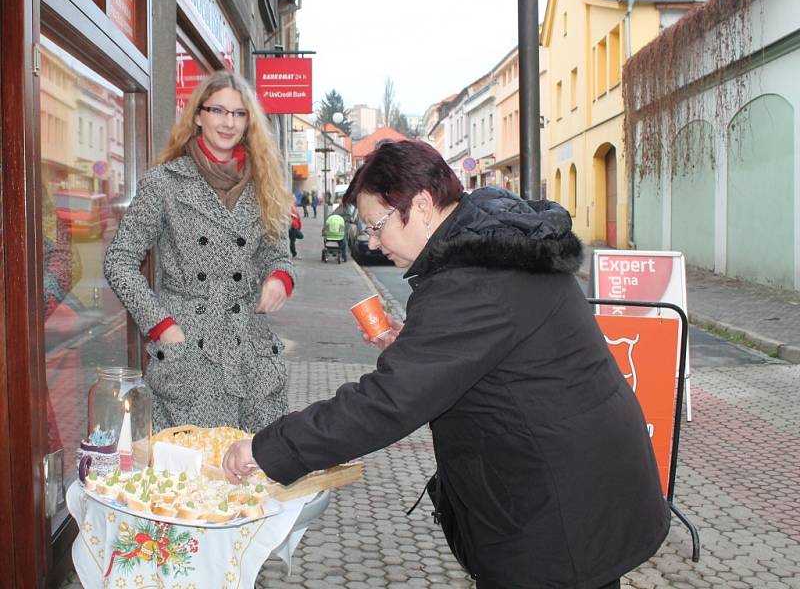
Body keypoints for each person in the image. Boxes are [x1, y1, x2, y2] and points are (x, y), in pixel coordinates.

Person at [223, 140, 669, 588]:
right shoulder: (487, 247)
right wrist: (419, 346)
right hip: (571, 483)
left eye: (378, 226)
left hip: (559, 507)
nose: (374, 243)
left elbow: (386, 402)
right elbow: (481, 355)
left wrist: (269, 449)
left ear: (420, 205)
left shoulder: (473, 277)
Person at [104, 70, 295, 433]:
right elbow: (120, 260)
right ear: (198, 116)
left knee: (256, 472)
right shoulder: (165, 182)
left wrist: (279, 279)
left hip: (250, 349)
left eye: (239, 114)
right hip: (190, 348)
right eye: (218, 111)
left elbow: (277, 254)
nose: (229, 122)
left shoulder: (264, 181)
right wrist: (163, 326)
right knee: (195, 473)